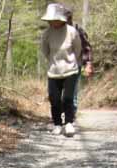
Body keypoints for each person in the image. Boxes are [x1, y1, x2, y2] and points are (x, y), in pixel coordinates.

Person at [40, 3, 82, 137]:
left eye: (55, 19)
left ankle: (69, 123)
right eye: (51, 20)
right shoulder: (46, 34)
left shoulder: (72, 31)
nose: (53, 22)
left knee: (68, 98)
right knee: (54, 99)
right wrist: (54, 61)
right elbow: (45, 51)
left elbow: (78, 49)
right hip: (53, 71)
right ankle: (57, 124)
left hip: (70, 70)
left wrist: (70, 61)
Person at [64, 7, 93, 119]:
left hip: (76, 64)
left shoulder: (78, 29)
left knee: (73, 89)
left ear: (70, 18)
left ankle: (71, 113)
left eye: (67, 18)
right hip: (61, 65)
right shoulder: (57, 30)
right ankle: (64, 111)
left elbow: (87, 47)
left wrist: (88, 64)